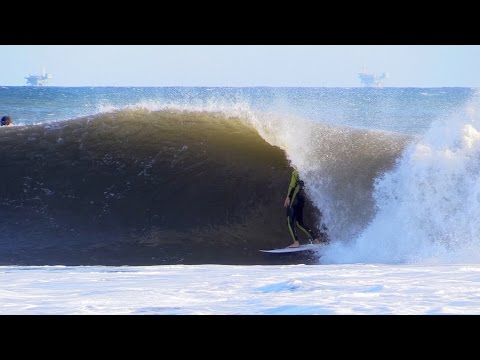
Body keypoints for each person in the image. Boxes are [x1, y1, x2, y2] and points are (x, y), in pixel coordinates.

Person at [283, 169, 326, 248]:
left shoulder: (296, 172)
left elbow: (292, 185)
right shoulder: (308, 169)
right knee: (299, 223)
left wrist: (288, 196)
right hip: (302, 198)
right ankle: (316, 240)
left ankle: (296, 242)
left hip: (295, 197)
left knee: (290, 220)